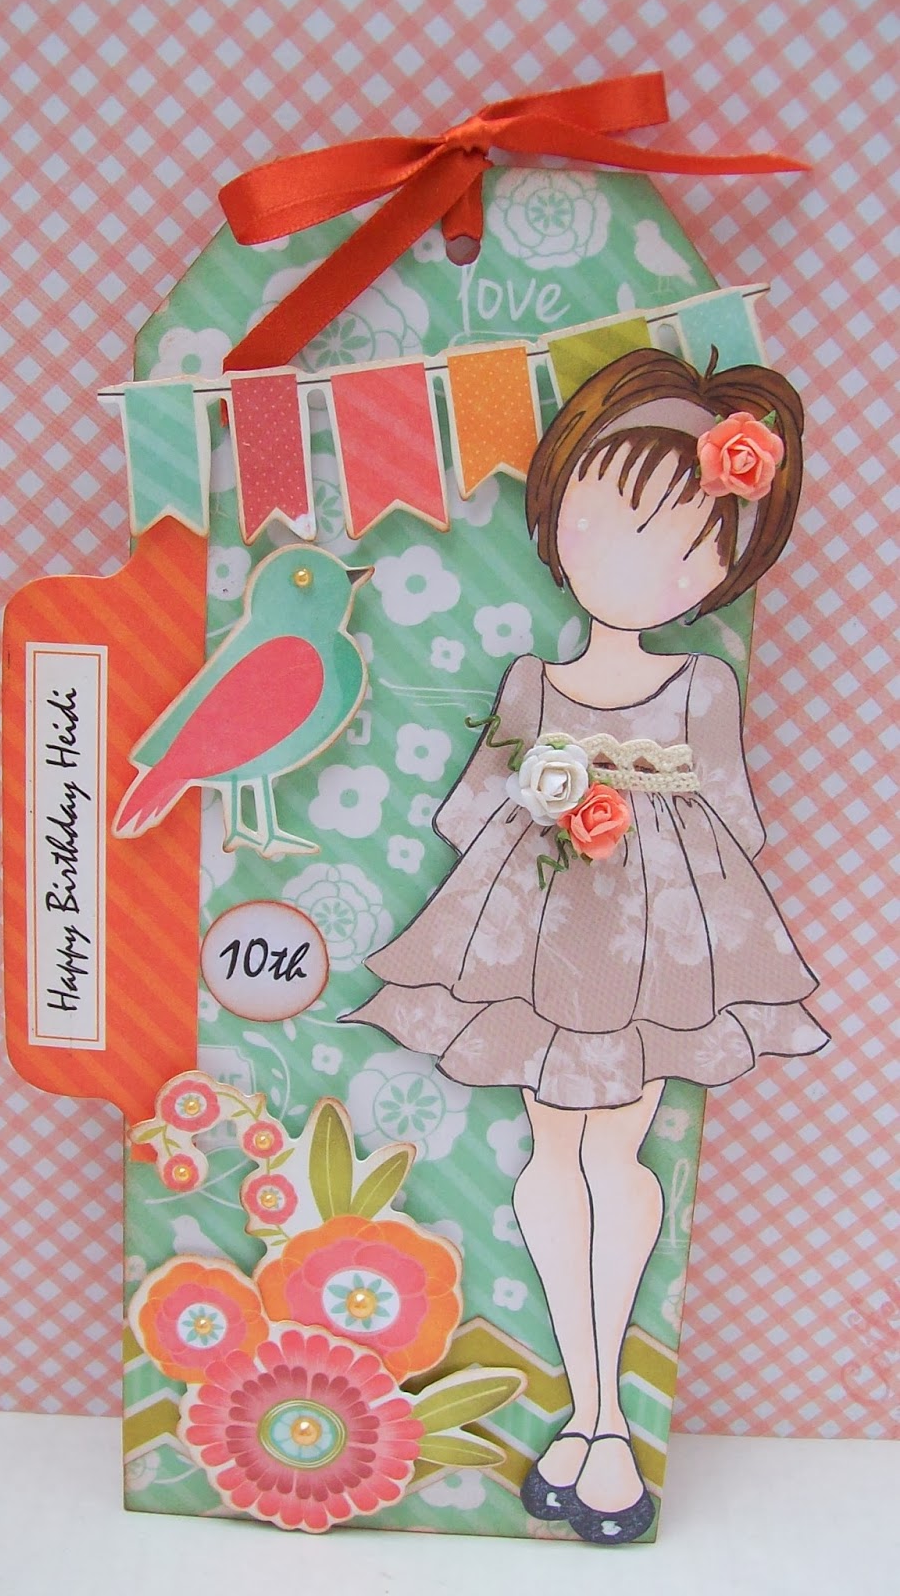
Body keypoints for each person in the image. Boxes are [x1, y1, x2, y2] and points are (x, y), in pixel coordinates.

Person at [345, 348, 828, 1544]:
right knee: (553, 1156)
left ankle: (601, 1423)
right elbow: (471, 811)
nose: (639, 560)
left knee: (614, 1156)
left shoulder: (699, 687)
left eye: (689, 543)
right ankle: (596, 1414)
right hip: (540, 945)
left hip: (654, 955)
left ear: (724, 566)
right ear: (556, 511)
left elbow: (735, 820)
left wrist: (628, 807)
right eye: (609, 517)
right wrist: (549, 787)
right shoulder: (531, 681)